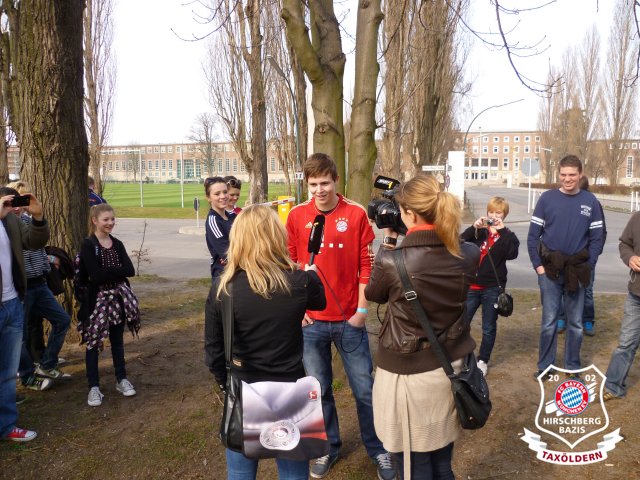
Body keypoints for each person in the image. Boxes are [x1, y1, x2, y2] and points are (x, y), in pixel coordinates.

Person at [285, 153, 396, 480]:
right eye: (313, 184)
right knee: (319, 391)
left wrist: (361, 310)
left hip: (350, 321)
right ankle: (328, 447)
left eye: (325, 183)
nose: (319, 190)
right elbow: (289, 265)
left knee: (365, 389)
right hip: (311, 323)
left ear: (336, 181)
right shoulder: (296, 216)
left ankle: (379, 449)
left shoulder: (355, 213)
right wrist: (298, 310)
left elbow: (366, 266)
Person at [365, 175, 479, 480]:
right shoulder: (468, 255)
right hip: (450, 369)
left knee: (413, 466)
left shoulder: (394, 261)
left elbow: (374, 293)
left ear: (409, 214)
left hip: (406, 376)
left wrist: (389, 239)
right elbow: (455, 244)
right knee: (442, 462)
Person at [205, 205, 326, 479]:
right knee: (293, 469)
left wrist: (225, 383)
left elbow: (213, 351)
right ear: (276, 237)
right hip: (290, 387)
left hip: (244, 386)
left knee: (240, 471)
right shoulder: (300, 281)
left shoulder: (224, 288)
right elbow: (320, 302)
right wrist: (311, 274)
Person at [527, 155, 605, 379]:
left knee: (576, 324)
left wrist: (589, 265)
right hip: (550, 271)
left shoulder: (590, 201)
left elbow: (597, 237)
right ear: (558, 174)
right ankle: (546, 366)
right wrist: (538, 267)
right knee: (549, 322)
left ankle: (572, 367)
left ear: (580, 174)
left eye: (572, 174)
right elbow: (533, 237)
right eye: (563, 175)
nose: (567, 179)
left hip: (577, 271)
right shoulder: (546, 199)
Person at [5, 183, 71, 393]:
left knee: (62, 320)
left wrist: (48, 262)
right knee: (21, 334)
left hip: (39, 284)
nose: (16, 208)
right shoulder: (5, 226)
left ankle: (47, 364)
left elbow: (37, 245)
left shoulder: (26, 221)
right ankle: (26, 374)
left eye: (18, 202)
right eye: (10, 203)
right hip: (19, 289)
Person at [76, 204, 141, 407]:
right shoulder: (88, 245)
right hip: (96, 301)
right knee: (93, 343)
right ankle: (93, 387)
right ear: (95, 221)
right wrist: (116, 271)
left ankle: (121, 379)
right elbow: (95, 276)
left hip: (118, 300)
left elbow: (130, 270)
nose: (110, 223)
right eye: (106, 219)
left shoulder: (117, 244)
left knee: (117, 341)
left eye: (112, 219)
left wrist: (108, 272)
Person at [0, 187, 49, 442]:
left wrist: (38, 217)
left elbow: (34, 242)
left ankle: (7, 426)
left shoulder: (10, 220)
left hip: (12, 302)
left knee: (8, 372)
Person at [461, 196, 519, 376]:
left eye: (498, 213)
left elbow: (512, 253)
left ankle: (482, 360)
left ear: (504, 215)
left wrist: (502, 231)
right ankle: (461, 356)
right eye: (491, 212)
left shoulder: (508, 236)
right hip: (471, 286)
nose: (494, 216)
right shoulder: (479, 232)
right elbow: (459, 242)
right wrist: (474, 227)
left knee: (488, 327)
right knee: (461, 323)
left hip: (492, 288)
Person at [602, 211, 640, 401]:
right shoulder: (637, 218)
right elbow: (624, 244)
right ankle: (613, 386)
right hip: (636, 295)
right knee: (626, 343)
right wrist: (630, 257)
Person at [204, 177, 236, 279]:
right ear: (208, 198)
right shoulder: (213, 221)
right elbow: (226, 254)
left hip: (239, 272)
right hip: (224, 276)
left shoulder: (233, 217)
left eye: (225, 192)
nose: (223, 196)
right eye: (217, 194)